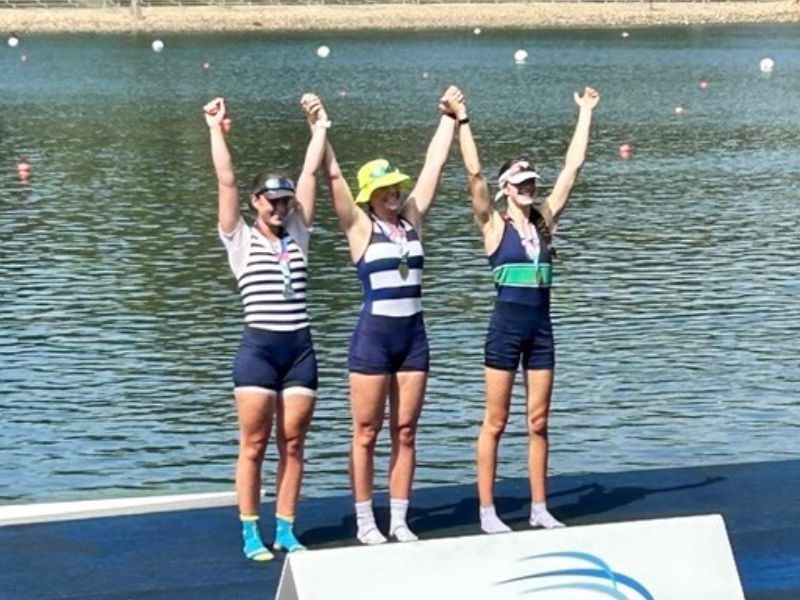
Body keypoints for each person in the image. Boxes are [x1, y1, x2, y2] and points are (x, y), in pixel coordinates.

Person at [448, 86, 601, 534]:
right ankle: (487, 511)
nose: (529, 189)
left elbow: (573, 167)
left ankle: (539, 508)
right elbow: (473, 173)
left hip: (541, 332)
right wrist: (463, 120)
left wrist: (586, 113)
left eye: (532, 183)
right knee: (496, 422)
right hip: (505, 331)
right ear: (505, 190)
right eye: (520, 184)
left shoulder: (545, 221)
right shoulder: (493, 225)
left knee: (538, 421)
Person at [320, 86, 463, 545]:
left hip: (413, 340)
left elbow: (434, 165)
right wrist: (319, 127)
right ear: (370, 196)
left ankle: (399, 519)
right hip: (373, 341)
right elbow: (333, 175)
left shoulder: (412, 218)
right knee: (366, 433)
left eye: (396, 187)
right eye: (384, 190)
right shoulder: (360, 227)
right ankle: (366, 520)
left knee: (405, 431)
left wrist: (449, 118)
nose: (394, 194)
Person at [203, 92, 330, 560]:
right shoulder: (238, 238)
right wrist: (215, 129)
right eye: (272, 201)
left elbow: (311, 174)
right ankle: (251, 531)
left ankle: (287, 529)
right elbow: (226, 180)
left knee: (293, 444)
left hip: (300, 351)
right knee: (254, 444)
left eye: (285, 201)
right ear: (256, 202)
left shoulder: (298, 232)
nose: (279, 207)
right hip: (258, 351)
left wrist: (319, 126)